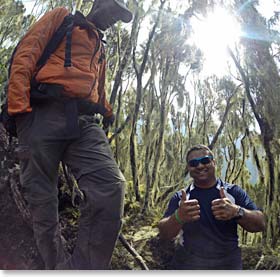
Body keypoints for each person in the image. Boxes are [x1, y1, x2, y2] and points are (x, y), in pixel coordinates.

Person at [7, 0, 133, 270]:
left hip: (83, 121)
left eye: (118, 17)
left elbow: (97, 86)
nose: (113, 19)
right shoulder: (62, 19)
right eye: (112, 10)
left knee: (111, 187)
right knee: (43, 202)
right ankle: (58, 269)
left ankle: (85, 270)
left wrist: (107, 111)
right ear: (98, 4)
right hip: (42, 113)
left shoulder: (100, 47)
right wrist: (19, 108)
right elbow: (26, 53)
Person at [158, 144, 266, 270]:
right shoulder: (181, 198)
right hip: (189, 264)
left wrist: (237, 211)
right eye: (193, 163)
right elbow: (164, 233)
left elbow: (261, 223)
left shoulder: (233, 192)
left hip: (228, 264)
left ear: (214, 162)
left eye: (205, 161)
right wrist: (178, 217)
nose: (199, 166)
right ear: (188, 168)